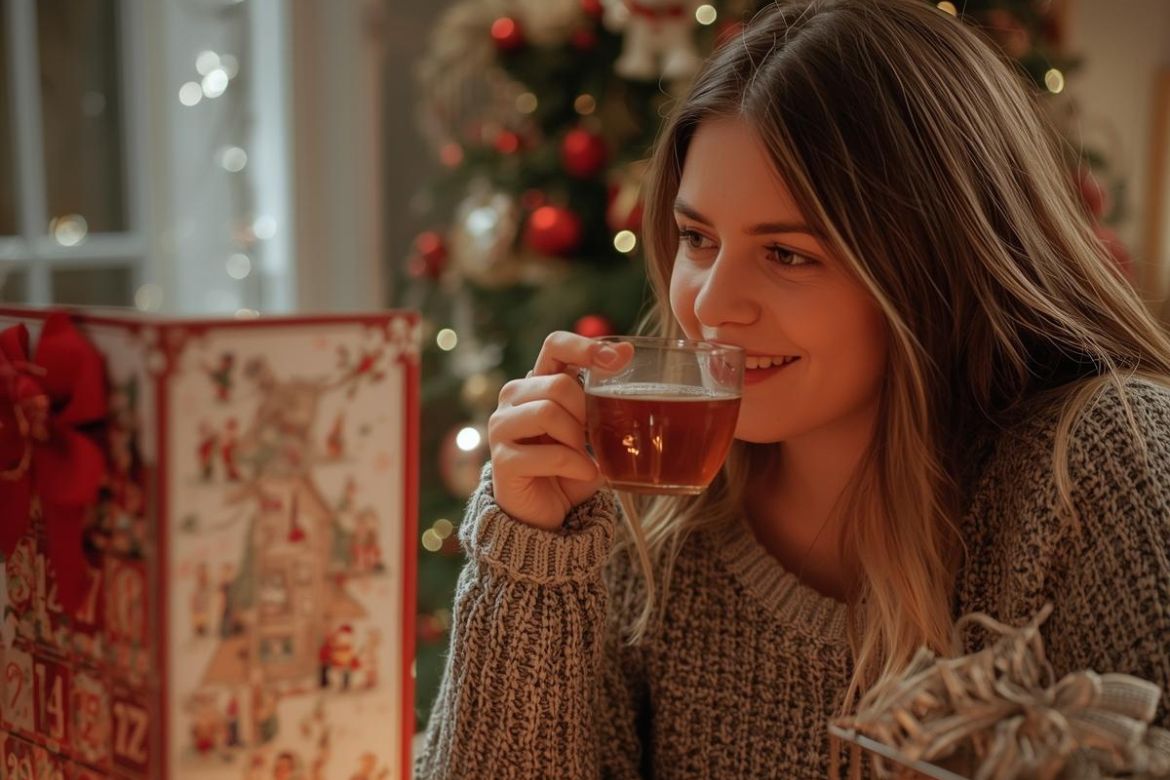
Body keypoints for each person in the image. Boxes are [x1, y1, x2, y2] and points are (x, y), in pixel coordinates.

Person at [415, 0, 1170, 777]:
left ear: (937, 267)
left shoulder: (1107, 466)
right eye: (699, 240)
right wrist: (529, 558)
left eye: (787, 254)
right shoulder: (641, 521)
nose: (709, 306)